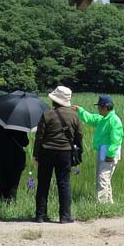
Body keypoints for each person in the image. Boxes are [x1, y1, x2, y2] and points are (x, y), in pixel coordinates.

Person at [32, 85, 82, 223]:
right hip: (65, 152)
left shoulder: (47, 114)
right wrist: (79, 152)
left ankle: (40, 216)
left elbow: (39, 136)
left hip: (46, 152)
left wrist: (35, 154)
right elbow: (79, 135)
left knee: (43, 183)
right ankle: (65, 216)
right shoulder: (74, 115)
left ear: (54, 100)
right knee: (64, 183)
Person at [73, 95, 124, 204]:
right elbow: (90, 118)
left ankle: (102, 204)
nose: (98, 109)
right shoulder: (102, 119)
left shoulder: (114, 120)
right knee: (103, 178)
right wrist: (80, 110)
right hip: (102, 152)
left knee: (103, 178)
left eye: (99, 107)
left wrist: (110, 155)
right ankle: (109, 202)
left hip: (110, 154)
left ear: (105, 107)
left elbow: (116, 140)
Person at [0, 122, 28, 203]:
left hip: (2, 157)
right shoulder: (20, 125)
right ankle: (11, 204)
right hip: (17, 159)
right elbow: (25, 142)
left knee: (2, 184)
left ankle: (2, 204)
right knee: (13, 185)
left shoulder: (0, 124)